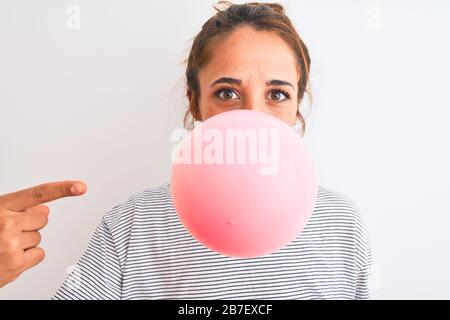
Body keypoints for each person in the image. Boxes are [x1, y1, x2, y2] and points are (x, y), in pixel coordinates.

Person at [2, 1, 373, 299]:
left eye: (277, 94)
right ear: (195, 103)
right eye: (227, 93)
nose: (252, 118)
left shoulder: (341, 224)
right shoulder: (131, 226)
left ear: (296, 108)